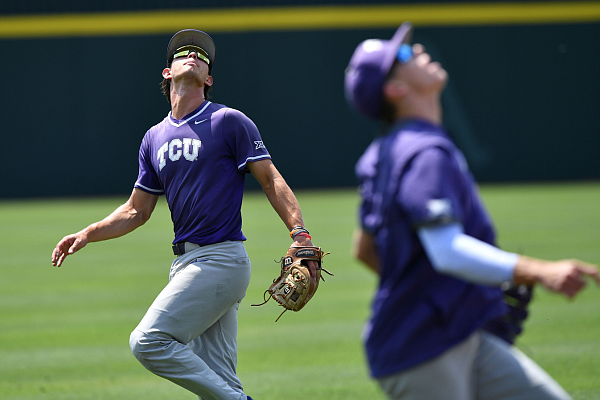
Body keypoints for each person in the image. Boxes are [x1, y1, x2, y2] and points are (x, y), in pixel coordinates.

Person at [51, 29, 318, 400]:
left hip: (221, 259)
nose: (193, 55)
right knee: (220, 383)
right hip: (187, 264)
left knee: (148, 341)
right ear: (167, 72)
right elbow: (135, 211)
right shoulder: (153, 137)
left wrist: (300, 234)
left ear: (208, 79)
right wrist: (88, 233)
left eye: (201, 56)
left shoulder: (228, 121)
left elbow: (271, 180)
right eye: (183, 53)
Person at [344, 22, 600, 400]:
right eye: (402, 55)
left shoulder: (384, 152)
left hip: (458, 334)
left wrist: (452, 294)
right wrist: (540, 271)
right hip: (421, 350)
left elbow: (364, 248)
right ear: (396, 89)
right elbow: (446, 250)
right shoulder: (424, 152)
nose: (416, 52)